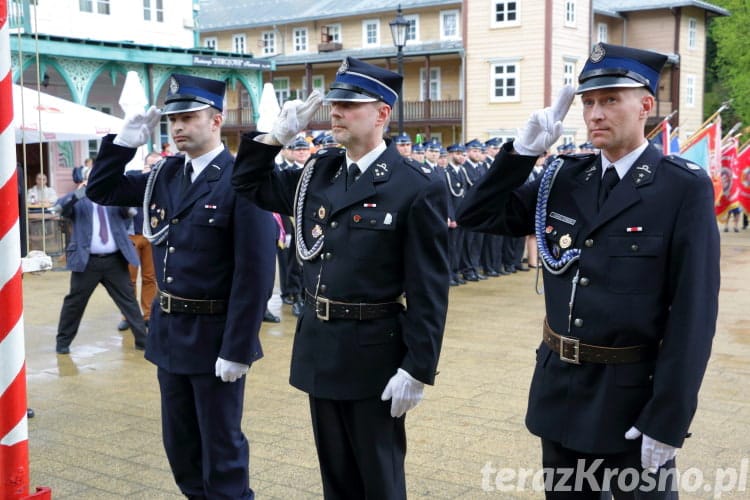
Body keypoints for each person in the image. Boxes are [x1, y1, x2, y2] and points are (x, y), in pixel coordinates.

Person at [456, 43, 720, 498]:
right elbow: (476, 214)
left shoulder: (681, 188)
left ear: (646, 105)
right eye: (589, 102)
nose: (595, 113)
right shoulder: (564, 178)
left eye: (611, 99)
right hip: (561, 390)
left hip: (632, 400)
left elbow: (693, 316)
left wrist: (669, 418)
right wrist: (520, 154)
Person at [232, 56, 450, 499]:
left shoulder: (415, 185)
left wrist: (418, 366)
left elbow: (430, 286)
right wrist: (273, 139)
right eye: (335, 104)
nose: (336, 112)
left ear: (382, 113)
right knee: (337, 479)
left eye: (350, 105)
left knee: (380, 478)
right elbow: (248, 185)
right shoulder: (319, 173)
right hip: (321, 347)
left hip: (375, 354)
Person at [85, 73, 276, 499]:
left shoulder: (242, 178)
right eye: (173, 119)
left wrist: (239, 347)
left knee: (222, 456)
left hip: (214, 340)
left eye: (189, 117)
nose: (178, 127)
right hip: (171, 335)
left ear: (216, 121)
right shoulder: (166, 175)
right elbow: (103, 189)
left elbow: (256, 274)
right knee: (182, 452)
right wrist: (122, 142)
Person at [54, 169, 147, 354]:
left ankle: (143, 341)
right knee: (75, 302)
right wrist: (80, 193)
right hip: (87, 262)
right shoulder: (79, 200)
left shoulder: (113, 198)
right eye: (92, 178)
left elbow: (130, 212)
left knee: (128, 300)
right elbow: (60, 209)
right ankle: (63, 342)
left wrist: (115, 192)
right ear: (86, 180)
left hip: (114, 260)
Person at [117, 152, 161, 332]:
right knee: (130, 279)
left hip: (151, 234)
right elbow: (125, 181)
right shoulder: (135, 178)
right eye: (152, 166)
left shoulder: (162, 183)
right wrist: (144, 174)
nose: (154, 170)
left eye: (158, 166)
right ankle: (128, 315)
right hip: (132, 234)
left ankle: (148, 314)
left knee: (150, 278)